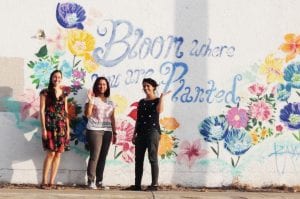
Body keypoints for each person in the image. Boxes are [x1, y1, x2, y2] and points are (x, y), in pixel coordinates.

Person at [129, 78, 170, 191]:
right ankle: (137, 185)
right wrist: (134, 134)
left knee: (152, 157)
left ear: (153, 87)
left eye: (148, 85)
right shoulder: (141, 102)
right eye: (144, 86)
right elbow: (138, 119)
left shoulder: (157, 100)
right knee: (138, 159)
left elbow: (159, 110)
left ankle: (154, 184)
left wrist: (161, 98)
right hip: (141, 132)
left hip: (152, 131)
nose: (146, 88)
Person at [39, 70, 70, 189]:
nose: (57, 79)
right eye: (55, 77)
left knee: (58, 154)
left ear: (61, 78)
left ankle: (52, 181)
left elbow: (65, 112)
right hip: (50, 125)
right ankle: (44, 181)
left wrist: (68, 129)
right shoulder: (45, 92)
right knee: (51, 153)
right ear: (51, 78)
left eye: (59, 77)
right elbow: (42, 111)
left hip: (61, 126)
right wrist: (43, 128)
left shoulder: (64, 93)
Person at [85, 76, 117, 189]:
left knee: (103, 156)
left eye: (104, 84)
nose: (102, 86)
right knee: (95, 156)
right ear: (96, 86)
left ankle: (99, 181)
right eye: (99, 84)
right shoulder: (92, 98)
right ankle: (91, 181)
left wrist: (115, 132)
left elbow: (112, 118)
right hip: (94, 130)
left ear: (107, 86)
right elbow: (87, 114)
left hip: (107, 131)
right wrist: (90, 100)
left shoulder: (111, 101)